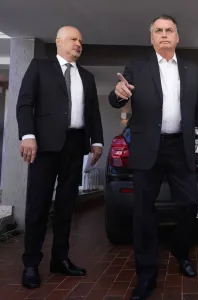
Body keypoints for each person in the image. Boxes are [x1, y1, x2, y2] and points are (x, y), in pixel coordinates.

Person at [109, 14, 198, 300]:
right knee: (143, 211)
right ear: (151, 37)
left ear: (177, 37)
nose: (164, 34)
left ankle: (181, 251)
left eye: (169, 30)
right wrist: (119, 95)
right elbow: (116, 96)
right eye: (159, 30)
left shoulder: (192, 70)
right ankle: (146, 275)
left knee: (190, 204)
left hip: (179, 147)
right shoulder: (137, 66)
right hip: (147, 148)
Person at [16, 26, 104, 289]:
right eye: (73, 39)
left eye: (81, 40)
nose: (78, 43)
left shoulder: (87, 77)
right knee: (38, 206)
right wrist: (27, 135)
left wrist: (97, 141)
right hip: (44, 147)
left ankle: (60, 259)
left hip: (75, 147)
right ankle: (31, 264)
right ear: (58, 42)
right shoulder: (39, 67)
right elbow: (24, 103)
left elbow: (93, 112)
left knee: (67, 206)